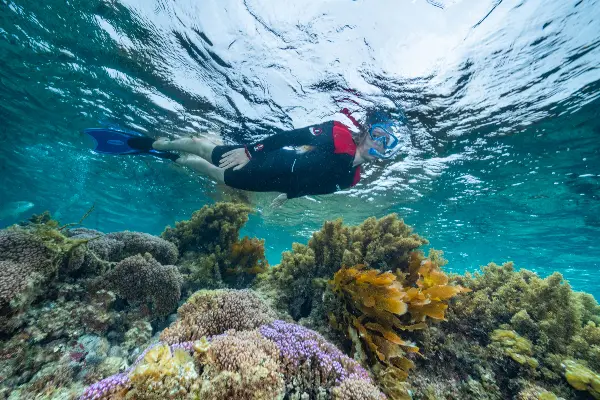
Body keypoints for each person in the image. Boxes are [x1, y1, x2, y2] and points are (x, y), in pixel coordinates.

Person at [84, 110, 400, 207]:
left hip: (274, 182)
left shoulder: (353, 179)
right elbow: (290, 137)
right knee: (208, 150)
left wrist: (286, 196)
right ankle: (154, 142)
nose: (381, 144)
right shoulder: (338, 134)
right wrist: (250, 150)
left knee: (215, 175)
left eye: (388, 144)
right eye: (380, 135)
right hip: (271, 161)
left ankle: (163, 155)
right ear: (368, 131)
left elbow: (317, 187)